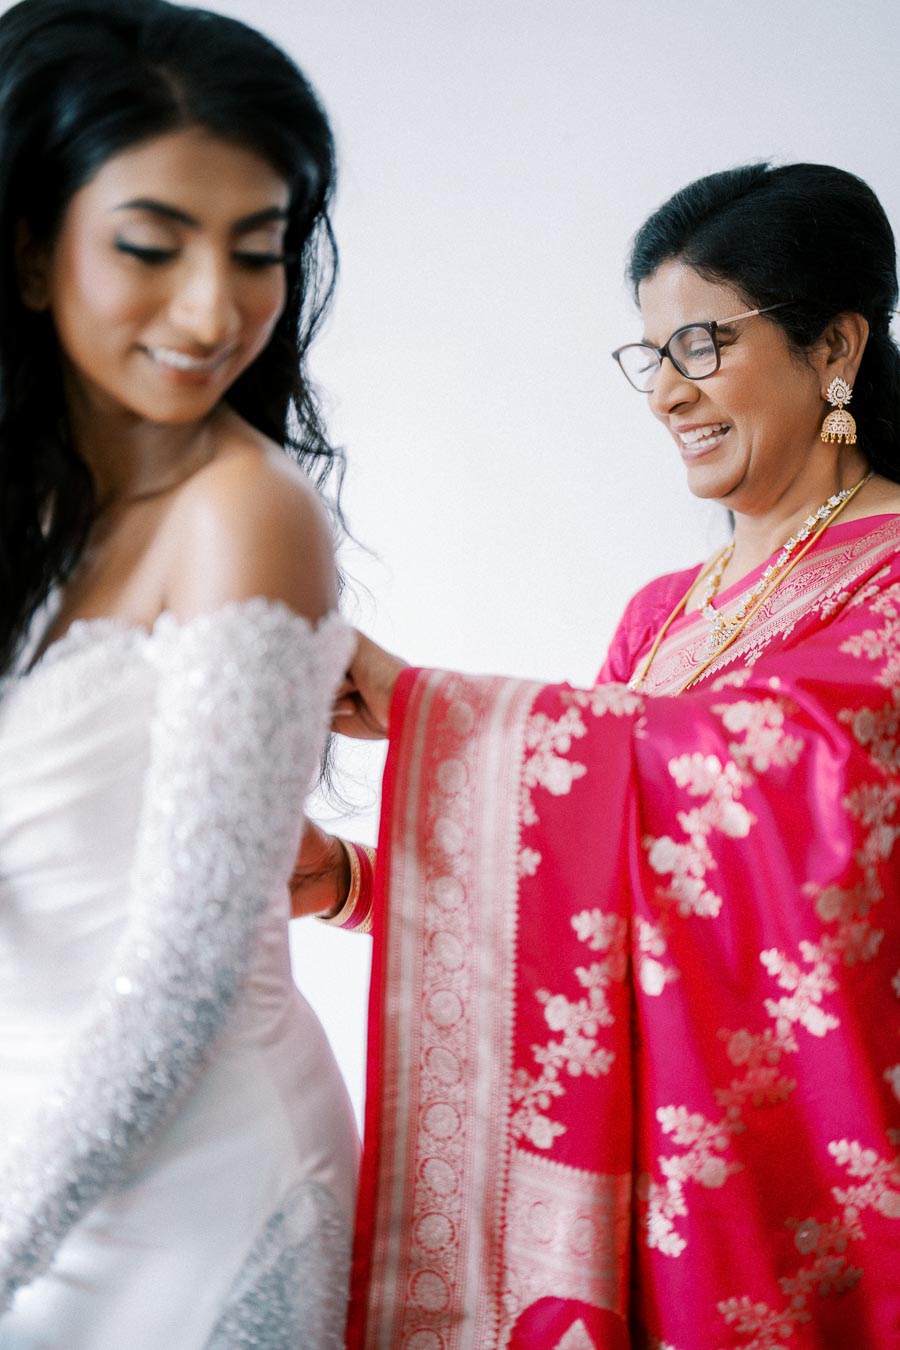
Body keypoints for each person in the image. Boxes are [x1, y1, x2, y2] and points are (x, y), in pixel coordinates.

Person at [295, 163, 900, 1347]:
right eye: (650, 356)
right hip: (644, 1170)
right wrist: (362, 884)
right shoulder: (662, 613)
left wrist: (434, 709)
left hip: (796, 1166)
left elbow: (822, 794)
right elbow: (603, 875)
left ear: (835, 346)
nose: (667, 394)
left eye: (702, 345)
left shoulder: (892, 573)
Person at [0, 1, 360, 1344]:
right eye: (152, 247)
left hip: (194, 1195)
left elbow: (177, 984)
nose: (215, 311)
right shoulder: (32, 507)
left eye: (258, 253)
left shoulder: (246, 517)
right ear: (32, 250)